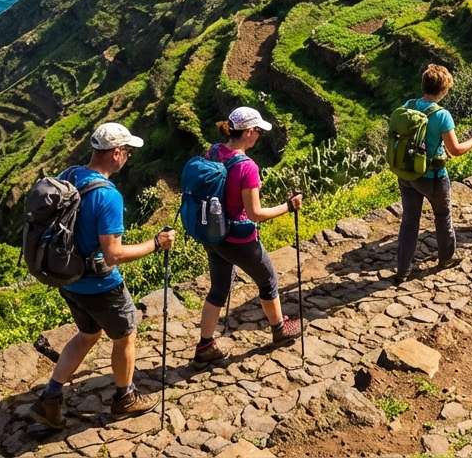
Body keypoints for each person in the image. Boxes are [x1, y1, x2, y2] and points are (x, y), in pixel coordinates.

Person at [30, 122, 176, 429]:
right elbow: (113, 254)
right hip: (100, 283)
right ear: (117, 153)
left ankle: (51, 397)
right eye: (128, 152)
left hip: (67, 278)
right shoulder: (108, 196)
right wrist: (155, 243)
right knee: (125, 335)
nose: (128, 158)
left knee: (88, 333)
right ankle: (125, 397)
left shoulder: (69, 174)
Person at [192, 107, 304, 365]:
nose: (259, 137)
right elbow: (254, 214)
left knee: (219, 288)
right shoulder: (247, 167)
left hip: (212, 233)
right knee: (268, 281)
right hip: (237, 238)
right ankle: (279, 329)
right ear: (249, 132)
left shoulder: (214, 151)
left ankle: (205, 345)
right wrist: (288, 207)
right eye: (258, 132)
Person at [394, 64, 472, 285]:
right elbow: (454, 150)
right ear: (443, 90)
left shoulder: (409, 105)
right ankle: (446, 258)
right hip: (432, 177)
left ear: (424, 84)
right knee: (442, 216)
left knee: (409, 221)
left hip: (407, 173)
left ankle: (402, 270)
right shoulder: (442, 115)